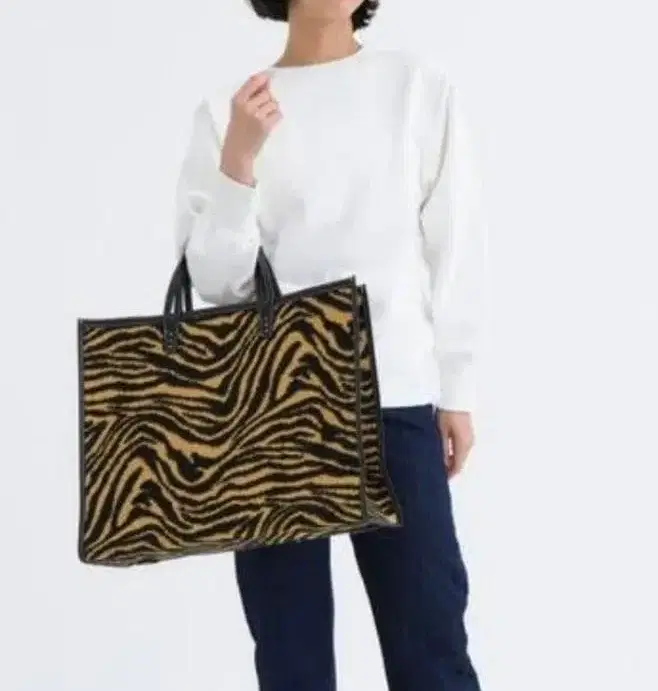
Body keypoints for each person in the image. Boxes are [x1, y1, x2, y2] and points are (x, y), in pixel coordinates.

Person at [173, 1, 486, 689]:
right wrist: (238, 160)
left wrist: (456, 388)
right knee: (292, 660)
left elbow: (453, 250)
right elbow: (217, 284)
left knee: (432, 646)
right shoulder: (229, 111)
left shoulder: (416, 88)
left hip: (394, 395)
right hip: (272, 412)